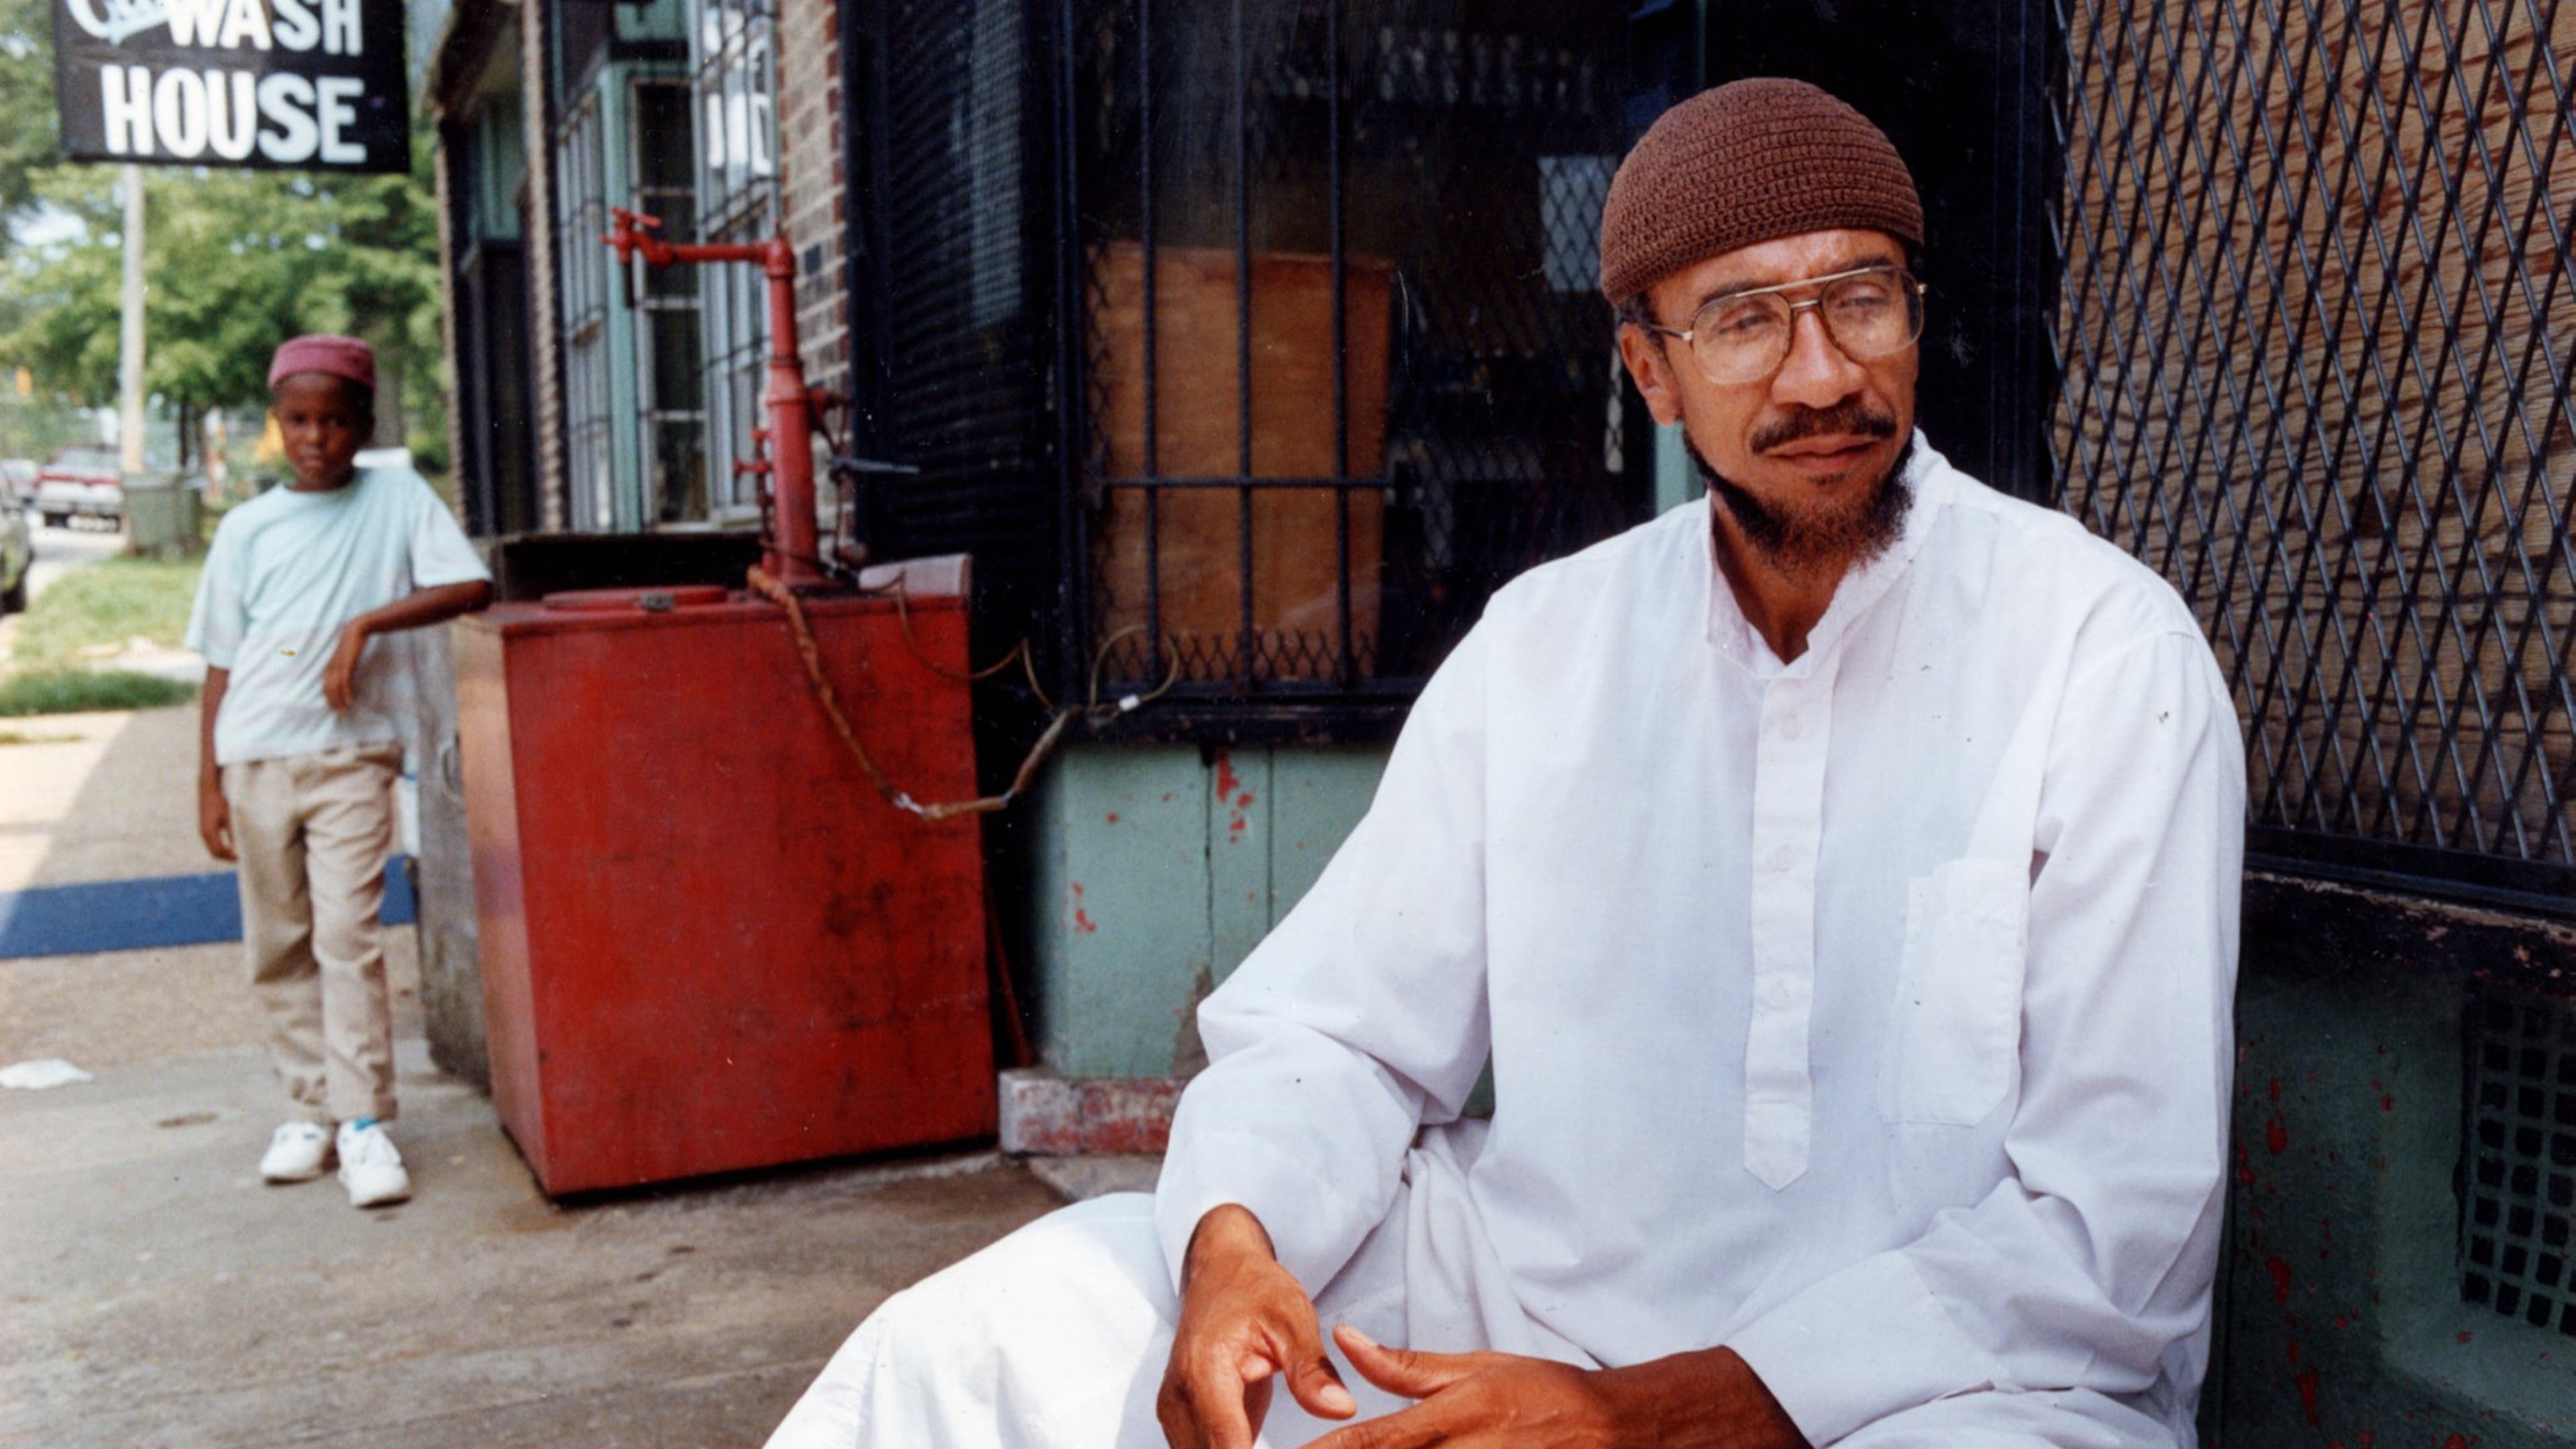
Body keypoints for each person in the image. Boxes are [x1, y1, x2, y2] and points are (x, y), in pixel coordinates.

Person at [768, 77, 2243, 1448]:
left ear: (1917, 318)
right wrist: (1233, 1253)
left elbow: (2111, 1227)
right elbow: (1338, 1030)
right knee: (984, 1347)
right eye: (1741, 319)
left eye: (1861, 299)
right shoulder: (1546, 646)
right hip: (1528, 1303)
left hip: (1929, 1384)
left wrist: (1633, 1418)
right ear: (1651, 372)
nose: (1821, 374)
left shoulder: (2102, 651)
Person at [186, 335, 494, 1209]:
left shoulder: (396, 495)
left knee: (348, 936)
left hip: (353, 754)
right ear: (276, 427)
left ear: (363, 423)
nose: (315, 437)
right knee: (277, 943)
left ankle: (363, 1123)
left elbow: (468, 585)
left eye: (333, 420)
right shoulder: (247, 528)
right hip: (253, 754)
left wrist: (363, 626)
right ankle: (306, 1110)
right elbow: (219, 659)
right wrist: (207, 778)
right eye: (297, 421)